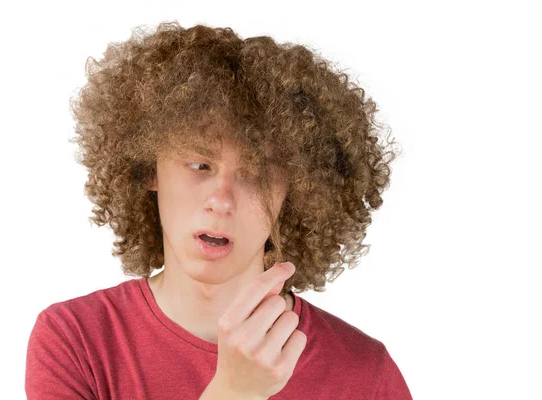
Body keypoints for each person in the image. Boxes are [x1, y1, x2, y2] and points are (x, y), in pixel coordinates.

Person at [25, 21, 412, 399]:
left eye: (256, 175)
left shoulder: (364, 374)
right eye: (200, 165)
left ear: (296, 191)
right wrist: (236, 391)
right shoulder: (76, 341)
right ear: (147, 169)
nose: (222, 200)